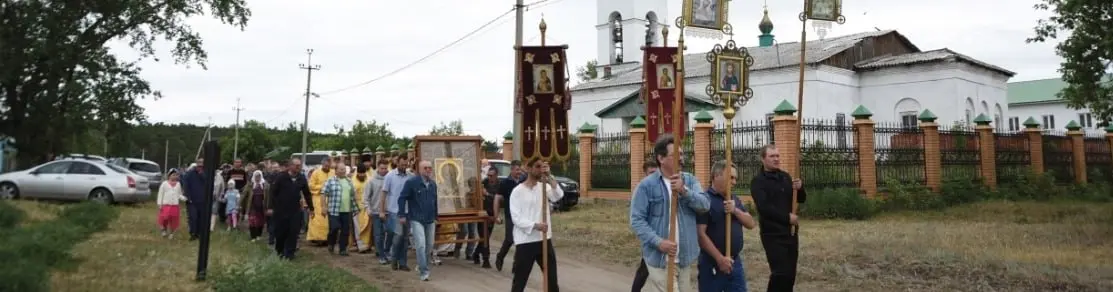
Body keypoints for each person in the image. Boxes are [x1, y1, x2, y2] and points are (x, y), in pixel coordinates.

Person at [630, 134, 710, 292]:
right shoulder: (646, 186)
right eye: (675, 155)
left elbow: (705, 205)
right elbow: (637, 220)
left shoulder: (690, 181)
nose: (681, 158)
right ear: (661, 158)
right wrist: (659, 242)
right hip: (660, 260)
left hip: (685, 258)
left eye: (681, 153)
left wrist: (684, 191)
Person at [750, 145, 806, 292]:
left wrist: (800, 188)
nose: (776, 159)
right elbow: (764, 208)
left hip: (791, 233)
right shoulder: (758, 182)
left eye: (777, 156)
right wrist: (787, 217)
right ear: (763, 159)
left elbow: (801, 199)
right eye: (772, 156)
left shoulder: (786, 177)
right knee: (780, 273)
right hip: (772, 234)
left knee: (790, 275)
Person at [697, 160, 757, 292]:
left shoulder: (734, 199)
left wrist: (735, 210)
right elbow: (701, 235)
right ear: (716, 176)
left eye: (735, 178)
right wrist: (720, 259)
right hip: (712, 264)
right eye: (731, 177)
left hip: (735, 263)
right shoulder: (705, 200)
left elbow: (751, 224)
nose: (734, 182)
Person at [508, 158, 563, 292]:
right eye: (538, 166)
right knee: (520, 281)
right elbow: (516, 218)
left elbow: (558, 195)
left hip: (544, 239)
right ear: (528, 168)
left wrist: (549, 176)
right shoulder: (517, 191)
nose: (541, 169)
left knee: (552, 280)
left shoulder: (544, 187)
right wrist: (536, 225)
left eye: (543, 166)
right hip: (526, 241)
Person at [399, 160, 438, 281]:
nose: (428, 170)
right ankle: (424, 272)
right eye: (425, 168)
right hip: (416, 219)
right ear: (420, 170)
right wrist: (401, 214)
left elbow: (435, 201)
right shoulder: (411, 182)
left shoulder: (433, 184)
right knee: (420, 245)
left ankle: (422, 264)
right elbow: (402, 198)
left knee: (429, 245)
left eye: (430, 168)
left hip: (430, 219)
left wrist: (436, 216)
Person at [269, 159, 316, 260]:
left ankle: (290, 253)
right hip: (281, 210)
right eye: (296, 165)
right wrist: (272, 207)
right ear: (290, 166)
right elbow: (273, 193)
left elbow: (307, 194)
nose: (298, 167)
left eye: (299, 165)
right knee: (281, 233)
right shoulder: (281, 177)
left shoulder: (301, 178)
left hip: (295, 210)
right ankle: (279, 252)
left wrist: (311, 208)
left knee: (293, 232)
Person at [382, 156, 413, 271]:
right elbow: (384, 193)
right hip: (394, 211)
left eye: (406, 165)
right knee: (398, 236)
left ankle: (403, 262)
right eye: (402, 165)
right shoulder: (390, 176)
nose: (404, 167)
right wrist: (382, 210)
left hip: (407, 211)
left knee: (405, 238)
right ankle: (394, 259)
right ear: (397, 163)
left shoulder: (411, 177)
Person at [494, 160, 526, 271]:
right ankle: (500, 257)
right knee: (510, 239)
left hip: (523, 216)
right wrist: (496, 215)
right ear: (511, 169)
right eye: (517, 170)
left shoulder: (524, 180)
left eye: (520, 169)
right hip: (510, 215)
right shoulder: (505, 183)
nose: (519, 172)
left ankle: (516, 265)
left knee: (521, 240)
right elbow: (497, 199)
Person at [322, 163, 360, 256]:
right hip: (334, 210)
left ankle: (342, 249)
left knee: (345, 230)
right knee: (334, 228)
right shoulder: (330, 181)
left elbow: (353, 195)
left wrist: (356, 206)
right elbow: (323, 193)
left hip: (347, 211)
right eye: (341, 169)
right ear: (336, 170)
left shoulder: (349, 181)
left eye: (344, 169)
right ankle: (331, 243)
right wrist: (323, 206)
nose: (343, 171)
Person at [631, 160, 658, 291]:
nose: (653, 175)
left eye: (655, 172)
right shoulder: (641, 189)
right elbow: (637, 216)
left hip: (662, 232)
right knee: (646, 267)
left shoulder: (660, 186)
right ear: (645, 173)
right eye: (651, 173)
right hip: (649, 234)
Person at [472, 167, 500, 268]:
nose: (489, 177)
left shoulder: (499, 185)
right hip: (483, 213)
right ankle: (486, 259)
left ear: (496, 175)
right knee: (485, 237)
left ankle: (475, 254)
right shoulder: (484, 182)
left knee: (486, 237)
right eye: (488, 175)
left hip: (492, 214)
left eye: (491, 175)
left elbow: (499, 199)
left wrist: (487, 194)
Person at [365, 159, 391, 264]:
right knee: (378, 234)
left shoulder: (390, 179)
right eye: (382, 168)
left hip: (389, 211)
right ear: (378, 168)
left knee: (390, 232)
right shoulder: (371, 181)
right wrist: (368, 209)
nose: (384, 170)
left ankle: (386, 251)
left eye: (386, 168)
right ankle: (381, 255)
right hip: (376, 212)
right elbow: (366, 197)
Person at [307, 158, 335, 245]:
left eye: (328, 166)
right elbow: (311, 185)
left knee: (327, 220)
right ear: (322, 164)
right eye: (325, 166)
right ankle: (316, 238)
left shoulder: (333, 172)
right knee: (317, 219)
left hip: (330, 199)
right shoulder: (316, 172)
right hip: (318, 198)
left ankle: (327, 238)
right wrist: (322, 186)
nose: (327, 167)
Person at [156, 168, 188, 239]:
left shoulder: (178, 184)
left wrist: (184, 198)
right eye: (173, 175)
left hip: (174, 206)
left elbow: (179, 194)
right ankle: (163, 230)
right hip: (166, 205)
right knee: (164, 219)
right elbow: (160, 194)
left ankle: (171, 233)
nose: (175, 176)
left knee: (174, 220)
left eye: (176, 175)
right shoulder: (164, 184)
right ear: (169, 175)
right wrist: (159, 204)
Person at [182, 159, 208, 241]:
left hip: (203, 200)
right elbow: (186, 185)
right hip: (192, 201)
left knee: (201, 218)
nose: (200, 166)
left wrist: (201, 174)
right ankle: (192, 233)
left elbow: (208, 183)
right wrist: (188, 197)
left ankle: (199, 234)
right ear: (196, 164)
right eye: (199, 164)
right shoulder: (190, 173)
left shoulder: (206, 173)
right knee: (193, 217)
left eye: (202, 164)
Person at [240, 170, 269, 242]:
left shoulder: (266, 185)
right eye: (256, 176)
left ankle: (259, 235)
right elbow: (243, 195)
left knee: (260, 222)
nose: (257, 178)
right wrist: (239, 204)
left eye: (259, 176)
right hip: (252, 206)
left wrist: (269, 206)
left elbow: (269, 196)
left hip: (262, 206)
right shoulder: (250, 185)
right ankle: (253, 236)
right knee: (252, 221)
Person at [351, 165, 372, 253]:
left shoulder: (369, 179)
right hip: (356, 208)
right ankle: (360, 245)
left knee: (367, 226)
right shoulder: (352, 181)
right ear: (357, 173)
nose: (362, 175)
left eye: (363, 173)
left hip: (367, 206)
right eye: (360, 173)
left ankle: (368, 245)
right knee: (358, 227)